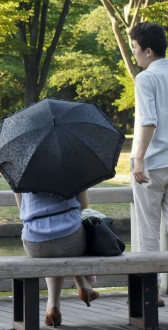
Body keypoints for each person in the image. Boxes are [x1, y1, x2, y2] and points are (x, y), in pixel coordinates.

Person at [15, 191, 98, 327]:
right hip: (70, 239)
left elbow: (22, 209)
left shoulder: (21, 173)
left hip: (35, 242)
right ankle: (83, 284)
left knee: (51, 251)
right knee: (68, 242)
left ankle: (52, 305)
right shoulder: (73, 170)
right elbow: (84, 205)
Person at [129, 22, 168, 307]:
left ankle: (151, 293)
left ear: (149, 50)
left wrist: (139, 157)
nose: (134, 55)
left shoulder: (145, 78)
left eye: (135, 49)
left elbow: (148, 120)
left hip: (152, 165)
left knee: (148, 230)